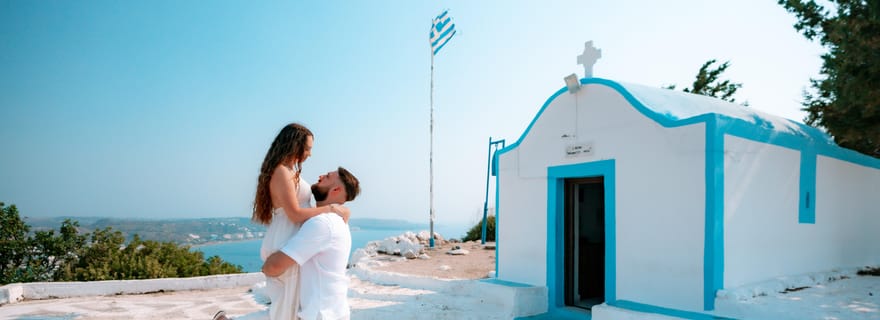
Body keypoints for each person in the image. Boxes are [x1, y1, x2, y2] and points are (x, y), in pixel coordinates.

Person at [251, 123, 349, 320]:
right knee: (285, 308)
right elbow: (295, 214)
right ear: (294, 145)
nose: (310, 154)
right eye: (307, 148)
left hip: (289, 234)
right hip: (285, 235)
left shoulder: (287, 171)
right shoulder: (282, 172)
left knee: (288, 306)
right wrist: (331, 209)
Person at [262, 167, 360, 320]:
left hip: (321, 315)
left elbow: (274, 267)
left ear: (336, 189)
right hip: (331, 312)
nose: (321, 176)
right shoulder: (336, 220)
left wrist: (266, 266)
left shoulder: (323, 223)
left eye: (327, 176)